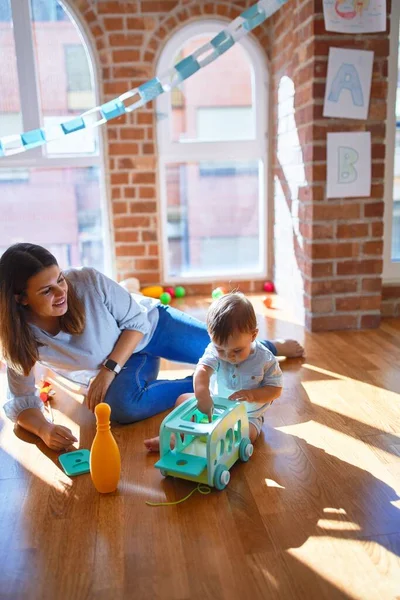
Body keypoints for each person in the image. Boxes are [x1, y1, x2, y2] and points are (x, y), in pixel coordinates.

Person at [0, 243, 304, 451]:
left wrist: (107, 370)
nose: (61, 292)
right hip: (127, 366)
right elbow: (21, 401)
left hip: (150, 327)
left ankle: (264, 345)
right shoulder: (20, 338)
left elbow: (136, 322)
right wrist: (44, 430)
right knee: (122, 408)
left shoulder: (87, 281)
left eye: (60, 280)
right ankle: (217, 387)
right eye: (46, 290)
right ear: (20, 299)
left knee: (227, 345)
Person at [144, 292, 283, 451]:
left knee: (249, 434)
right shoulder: (213, 350)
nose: (229, 356)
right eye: (220, 350)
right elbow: (202, 370)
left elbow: (275, 389)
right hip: (213, 406)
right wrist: (202, 394)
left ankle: (216, 441)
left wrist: (253, 395)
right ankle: (176, 437)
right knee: (183, 399)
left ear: (253, 335)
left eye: (237, 350)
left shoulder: (265, 359)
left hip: (246, 416)